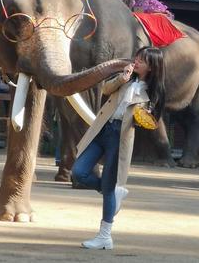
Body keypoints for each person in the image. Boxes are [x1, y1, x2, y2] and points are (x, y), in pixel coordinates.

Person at [72, 46, 165, 250]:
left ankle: (105, 236)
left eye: (142, 60)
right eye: (137, 58)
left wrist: (144, 117)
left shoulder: (154, 92)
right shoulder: (126, 78)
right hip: (102, 129)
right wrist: (121, 79)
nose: (136, 61)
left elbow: (153, 121)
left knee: (109, 184)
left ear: (152, 67)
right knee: (78, 172)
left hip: (120, 136)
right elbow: (105, 90)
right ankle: (114, 193)